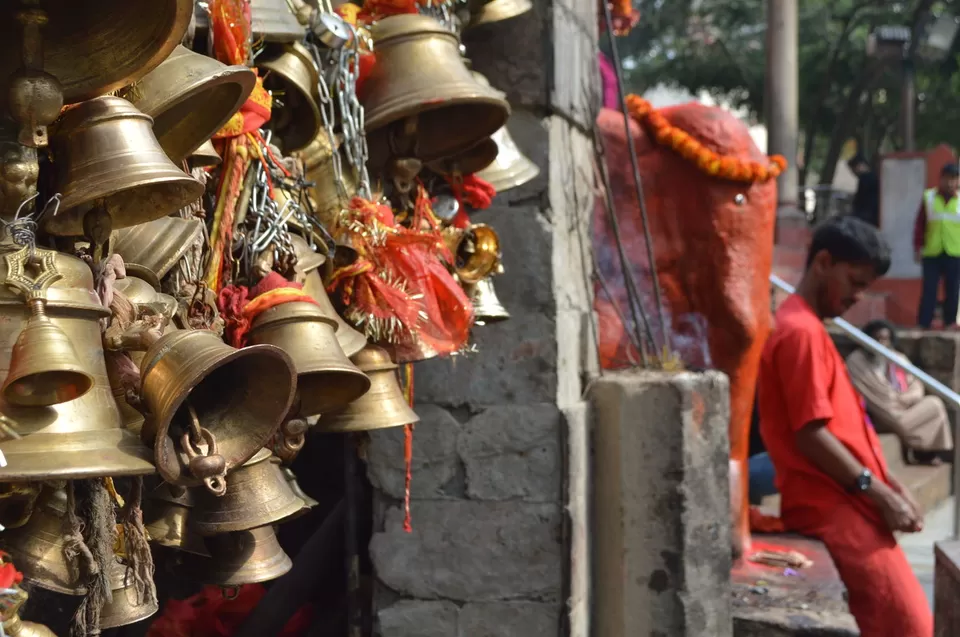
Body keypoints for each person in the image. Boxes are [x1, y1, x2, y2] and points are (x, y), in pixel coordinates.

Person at [758, 215, 932, 636]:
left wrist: (890, 483)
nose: (859, 296)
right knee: (909, 626)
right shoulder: (799, 331)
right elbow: (811, 434)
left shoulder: (809, 328)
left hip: (851, 506)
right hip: (833, 510)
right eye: (855, 281)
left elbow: (841, 429)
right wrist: (879, 492)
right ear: (823, 263)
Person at [847, 319, 953, 465]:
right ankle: (921, 449)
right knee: (927, 409)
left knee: (934, 403)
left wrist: (904, 399)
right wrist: (899, 400)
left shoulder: (896, 357)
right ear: (867, 339)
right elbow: (879, 397)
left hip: (904, 406)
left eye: (885, 339)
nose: (881, 343)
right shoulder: (857, 360)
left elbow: (916, 386)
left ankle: (925, 453)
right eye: (877, 339)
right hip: (882, 414)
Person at [914, 163, 960, 328]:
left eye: (954, 179)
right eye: (947, 179)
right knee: (929, 290)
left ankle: (950, 322)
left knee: (953, 290)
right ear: (941, 179)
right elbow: (920, 224)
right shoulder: (929, 197)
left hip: (955, 252)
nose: (950, 183)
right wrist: (917, 246)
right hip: (932, 251)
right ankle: (924, 323)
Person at [848, 153, 880, 227]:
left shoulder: (864, 178)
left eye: (853, 170)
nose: (854, 173)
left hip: (866, 215)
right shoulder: (875, 176)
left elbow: (859, 199)